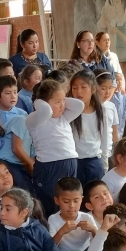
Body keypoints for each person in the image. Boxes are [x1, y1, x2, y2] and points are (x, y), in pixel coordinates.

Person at [26, 79, 85, 215]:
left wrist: (60, 97)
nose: (62, 105)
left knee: (67, 201)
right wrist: (39, 100)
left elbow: (79, 105)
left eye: (63, 100)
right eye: (57, 102)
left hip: (70, 163)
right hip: (49, 166)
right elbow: (46, 111)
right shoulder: (34, 120)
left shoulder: (63, 118)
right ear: (43, 103)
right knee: (50, 203)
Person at [48, 177, 98, 251]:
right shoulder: (53, 219)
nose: (71, 206)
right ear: (57, 200)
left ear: (82, 199)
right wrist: (61, 231)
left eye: (76, 201)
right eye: (66, 201)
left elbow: (98, 244)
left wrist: (93, 230)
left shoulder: (87, 218)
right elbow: (50, 247)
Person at [68, 69, 110, 186]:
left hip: (94, 162)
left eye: (83, 87)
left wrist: (104, 164)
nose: (78, 92)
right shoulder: (68, 111)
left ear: (93, 89)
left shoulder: (101, 111)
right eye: (74, 88)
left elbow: (105, 139)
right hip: (74, 162)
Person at [0, 75, 32, 191]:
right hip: (4, 161)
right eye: (8, 93)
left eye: (15, 92)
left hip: (22, 162)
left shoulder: (22, 114)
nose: (13, 96)